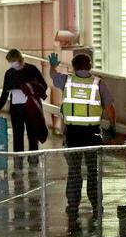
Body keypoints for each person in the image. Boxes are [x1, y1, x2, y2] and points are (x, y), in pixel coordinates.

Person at [48, 52, 116, 224]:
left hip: (72, 134)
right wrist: (112, 126)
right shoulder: (98, 83)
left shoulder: (66, 81)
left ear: (73, 66)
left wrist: (53, 66)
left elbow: (53, 76)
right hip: (92, 133)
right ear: (90, 66)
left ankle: (73, 207)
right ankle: (96, 207)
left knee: (74, 172)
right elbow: (110, 109)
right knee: (93, 172)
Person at [0, 49, 48, 173]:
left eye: (14, 61)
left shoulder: (32, 70)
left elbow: (43, 85)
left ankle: (33, 163)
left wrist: (30, 87)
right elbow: (4, 93)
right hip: (16, 108)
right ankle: (18, 166)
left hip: (31, 107)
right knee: (17, 136)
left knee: (32, 135)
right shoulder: (9, 73)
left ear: (20, 60)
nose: (12, 64)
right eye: (10, 62)